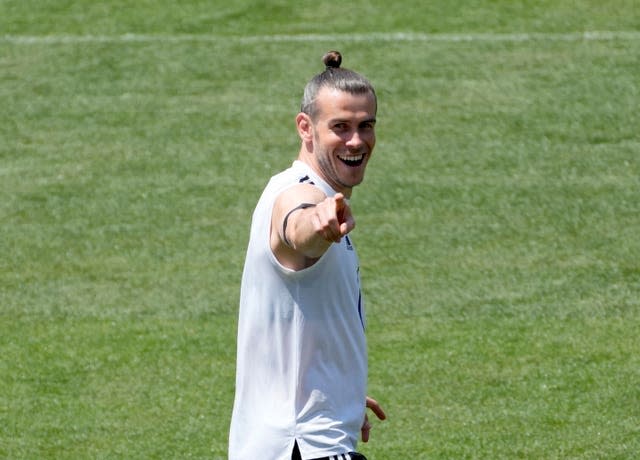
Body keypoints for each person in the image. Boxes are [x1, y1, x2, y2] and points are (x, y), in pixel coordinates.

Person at [229, 50, 386, 460]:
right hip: (303, 447)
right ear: (306, 127)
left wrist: (340, 391)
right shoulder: (297, 192)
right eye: (340, 127)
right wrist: (317, 222)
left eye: (365, 126)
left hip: (296, 439)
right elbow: (296, 226)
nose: (356, 141)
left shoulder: (296, 185)